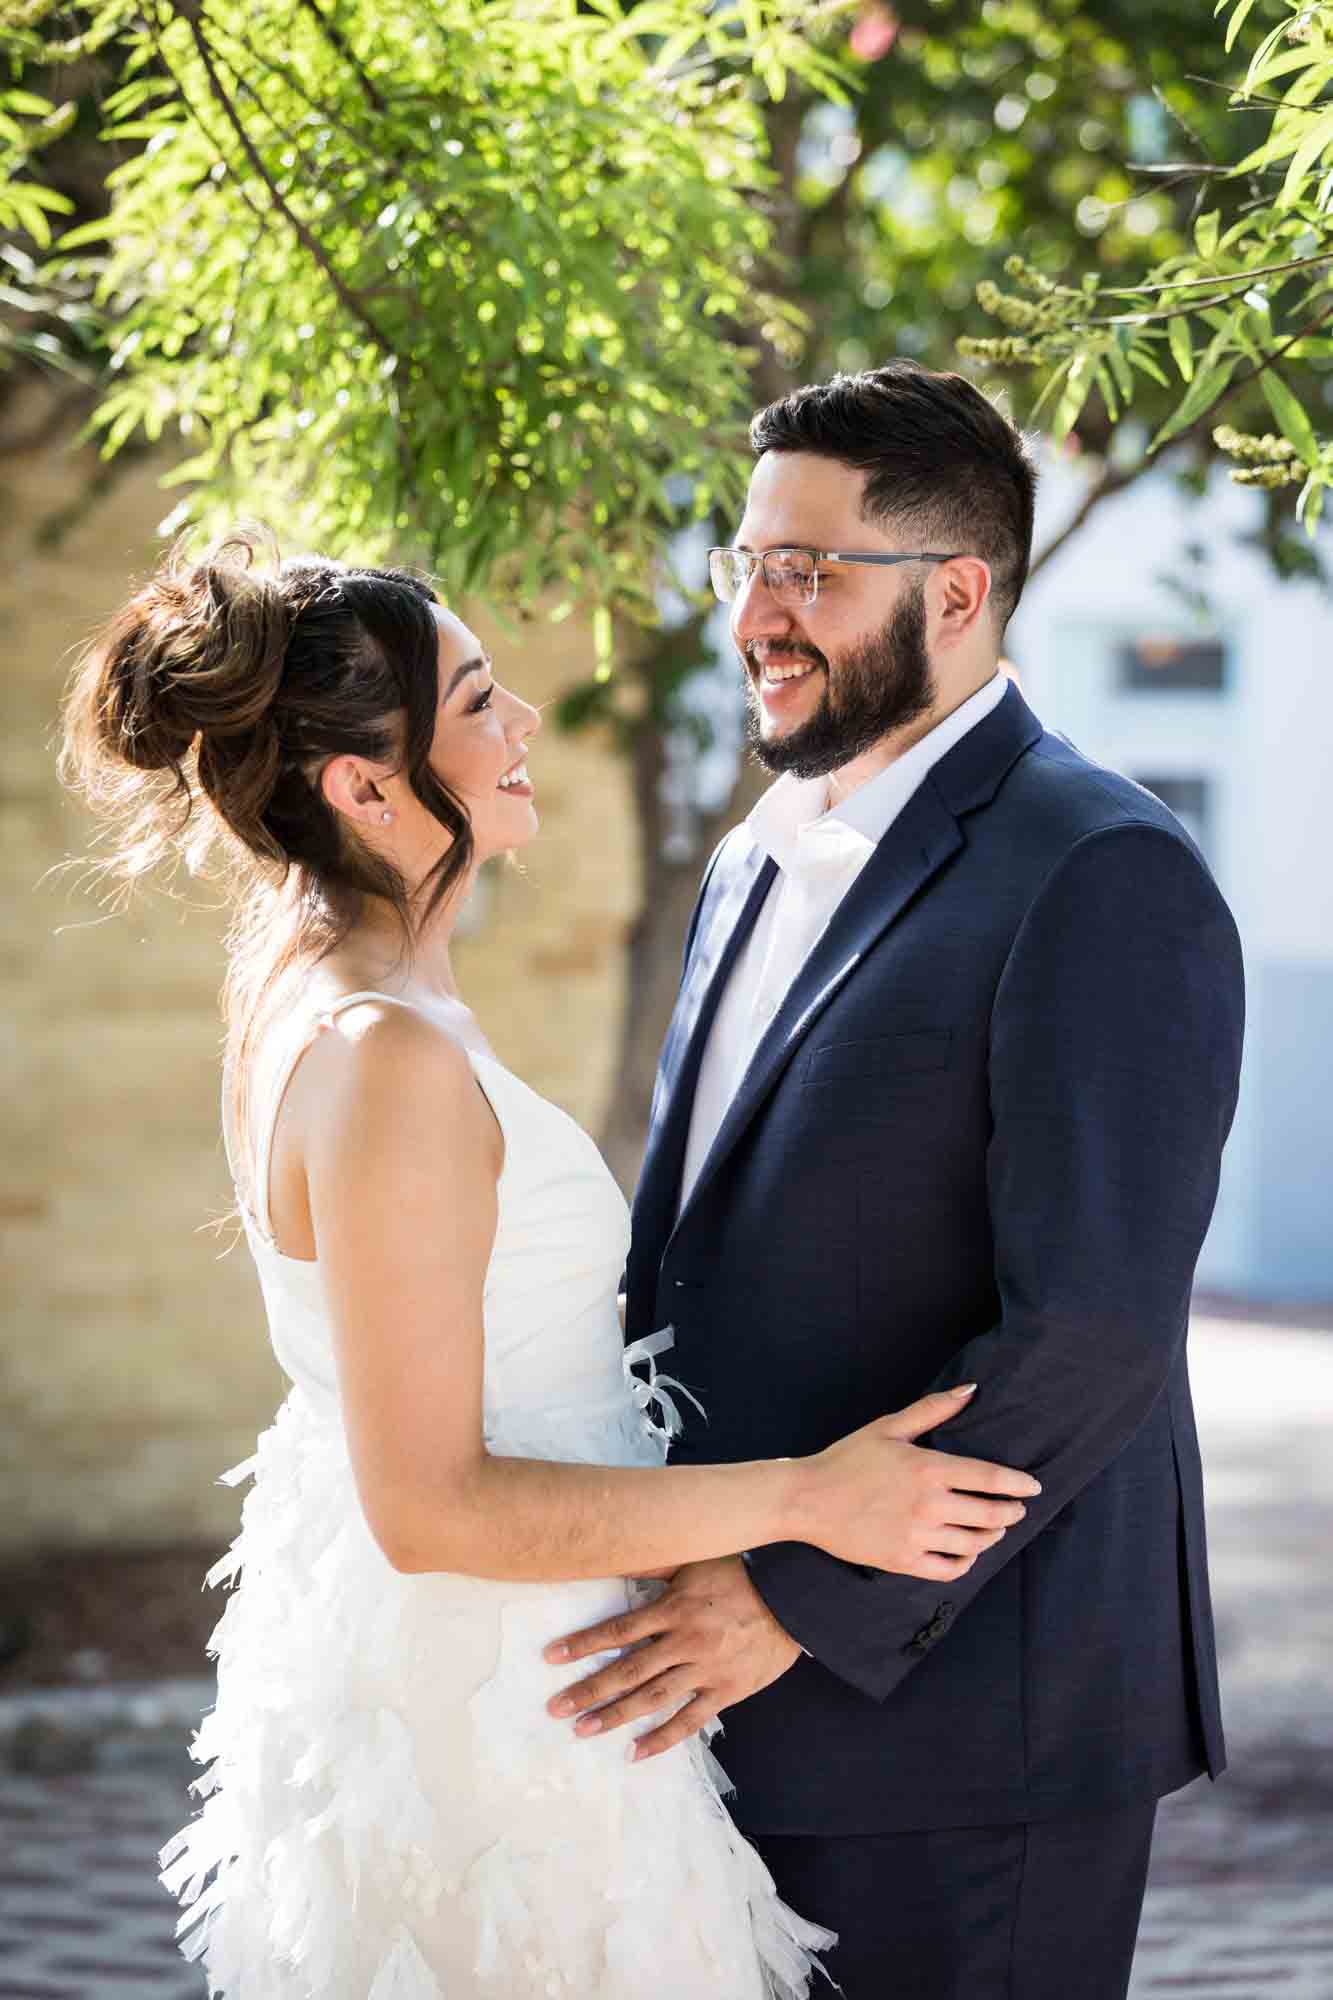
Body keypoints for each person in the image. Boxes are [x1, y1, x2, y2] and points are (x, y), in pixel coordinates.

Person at [58, 530, 1043, 1998]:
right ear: (365, 787)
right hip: (504, 1692)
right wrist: (810, 1500)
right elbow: (429, 1502)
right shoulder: (381, 1055)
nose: (521, 726)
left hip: (531, 1646)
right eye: (475, 702)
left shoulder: (330, 995)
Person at [541, 363, 1246, 2000]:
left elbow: (1086, 1336)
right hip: (721, 1681)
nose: (758, 615)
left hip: (964, 1719)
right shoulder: (747, 856)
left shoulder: (1098, 869)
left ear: (954, 590)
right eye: (745, 564)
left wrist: (785, 1599)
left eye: (810, 571)